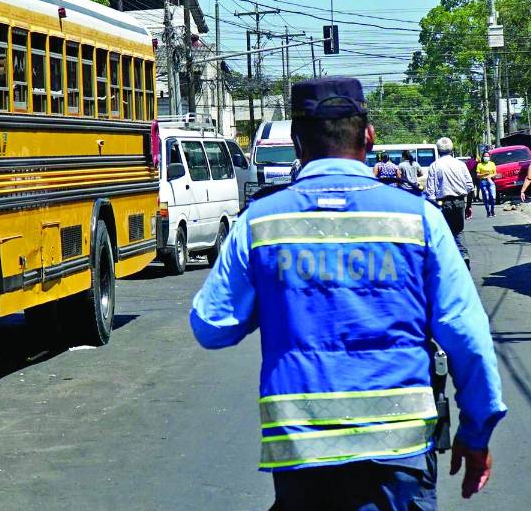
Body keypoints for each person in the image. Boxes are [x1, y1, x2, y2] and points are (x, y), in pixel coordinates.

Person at [190, 78, 506, 511]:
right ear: (370, 136)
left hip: (303, 458)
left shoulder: (259, 224)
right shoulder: (420, 220)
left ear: (297, 142)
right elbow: (467, 337)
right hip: (400, 455)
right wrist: (476, 432)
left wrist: (270, 293)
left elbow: (211, 326)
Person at [425, 138, 476, 268]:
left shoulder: (435, 166)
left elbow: (430, 193)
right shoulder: (460, 164)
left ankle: (448, 261)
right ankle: (464, 255)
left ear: (438, 150)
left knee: (445, 232)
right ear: (452, 150)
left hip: (443, 203)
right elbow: (470, 187)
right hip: (459, 202)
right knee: (458, 231)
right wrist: (468, 206)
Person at [475, 153, 497, 218]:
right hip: (483, 181)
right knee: (486, 196)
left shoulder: (492, 164)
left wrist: (490, 176)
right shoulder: (479, 165)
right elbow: (477, 175)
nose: (486, 157)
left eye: (487, 156)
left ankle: (492, 210)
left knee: (492, 196)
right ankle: (488, 212)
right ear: (483, 157)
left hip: (491, 181)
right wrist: (484, 174)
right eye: (485, 156)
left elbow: (495, 173)